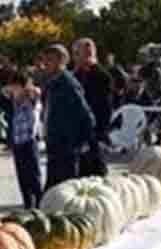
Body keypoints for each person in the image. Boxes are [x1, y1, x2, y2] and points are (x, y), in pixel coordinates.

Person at [39, 44, 95, 190]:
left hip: (66, 146)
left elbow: (85, 113)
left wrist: (85, 141)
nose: (45, 64)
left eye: (50, 60)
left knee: (65, 188)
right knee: (54, 189)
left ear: (61, 61)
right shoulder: (52, 82)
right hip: (54, 144)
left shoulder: (68, 84)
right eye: (44, 60)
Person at [72, 38, 112, 177]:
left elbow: (104, 107)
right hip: (79, 132)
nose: (76, 57)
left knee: (96, 170)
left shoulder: (101, 76)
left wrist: (101, 133)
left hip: (94, 131)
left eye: (78, 53)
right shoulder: (76, 75)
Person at [5, 72, 42, 210]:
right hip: (18, 142)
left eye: (15, 86)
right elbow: (4, 92)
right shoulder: (15, 100)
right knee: (22, 178)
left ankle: (39, 205)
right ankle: (28, 205)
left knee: (33, 177)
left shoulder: (31, 99)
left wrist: (28, 87)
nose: (12, 89)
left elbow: (37, 92)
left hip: (29, 141)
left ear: (22, 86)